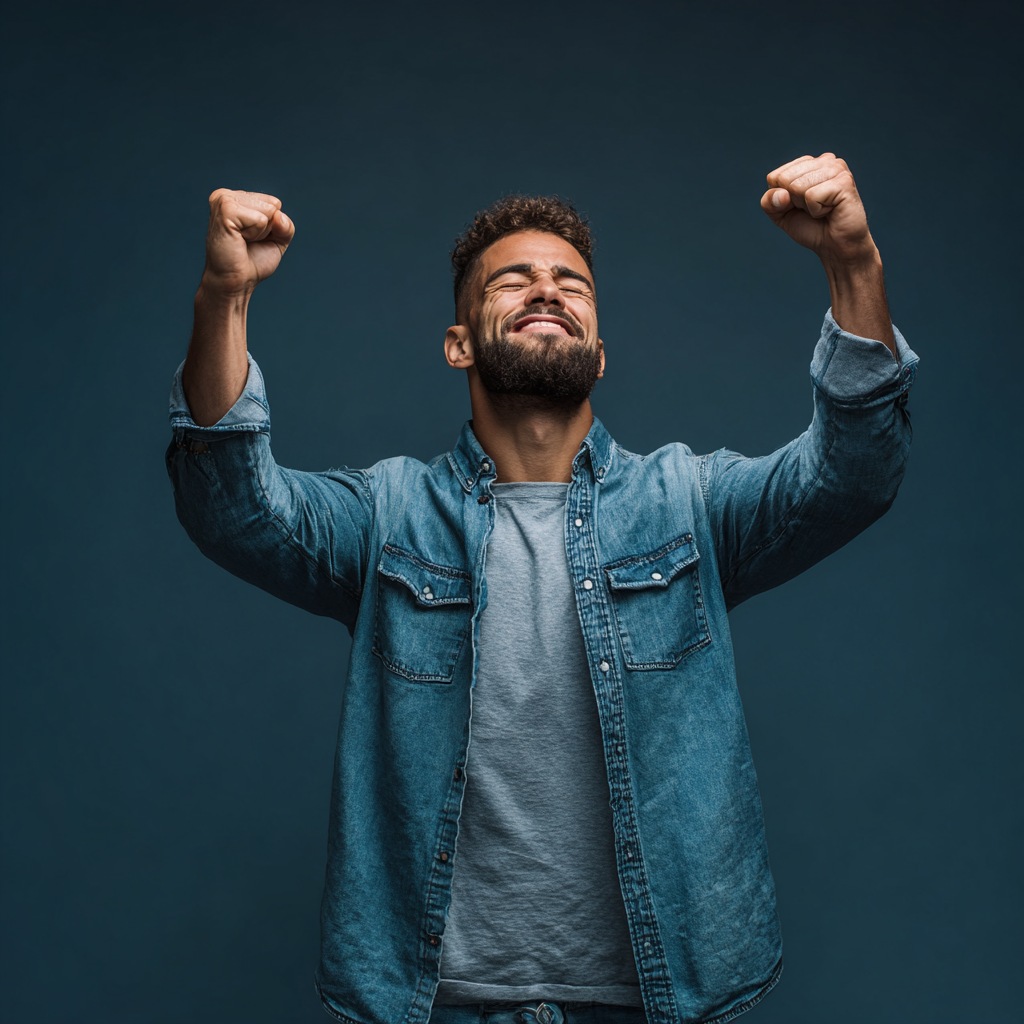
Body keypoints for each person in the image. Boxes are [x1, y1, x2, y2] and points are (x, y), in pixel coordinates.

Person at [167, 153, 918, 1024]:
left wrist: (852, 263)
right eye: (512, 281)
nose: (546, 290)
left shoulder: (689, 503)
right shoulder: (389, 515)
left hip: (662, 997)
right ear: (457, 344)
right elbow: (231, 508)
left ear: (599, 353)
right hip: (437, 1002)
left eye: (571, 282)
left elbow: (857, 474)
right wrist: (223, 300)